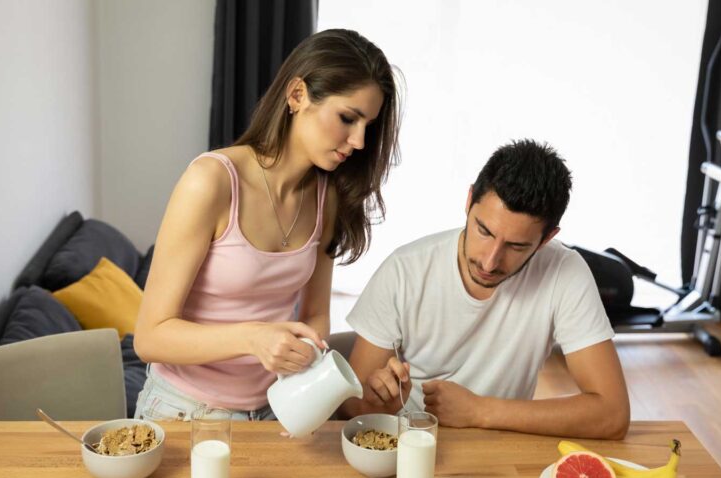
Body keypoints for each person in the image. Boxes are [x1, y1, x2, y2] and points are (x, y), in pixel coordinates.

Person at [133, 29, 401, 422]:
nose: (359, 141)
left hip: (276, 408)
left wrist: (303, 372)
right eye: (348, 118)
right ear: (297, 95)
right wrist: (253, 337)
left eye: (368, 126)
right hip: (185, 410)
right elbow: (150, 337)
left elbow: (314, 316)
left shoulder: (328, 199)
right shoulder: (212, 181)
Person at [340, 139, 630, 439]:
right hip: (408, 443)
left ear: (546, 239)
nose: (490, 262)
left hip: (501, 444)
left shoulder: (564, 271)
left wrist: (479, 411)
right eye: (484, 230)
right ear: (468, 201)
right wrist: (377, 404)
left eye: (516, 246)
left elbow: (613, 414)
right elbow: (350, 405)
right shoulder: (405, 269)